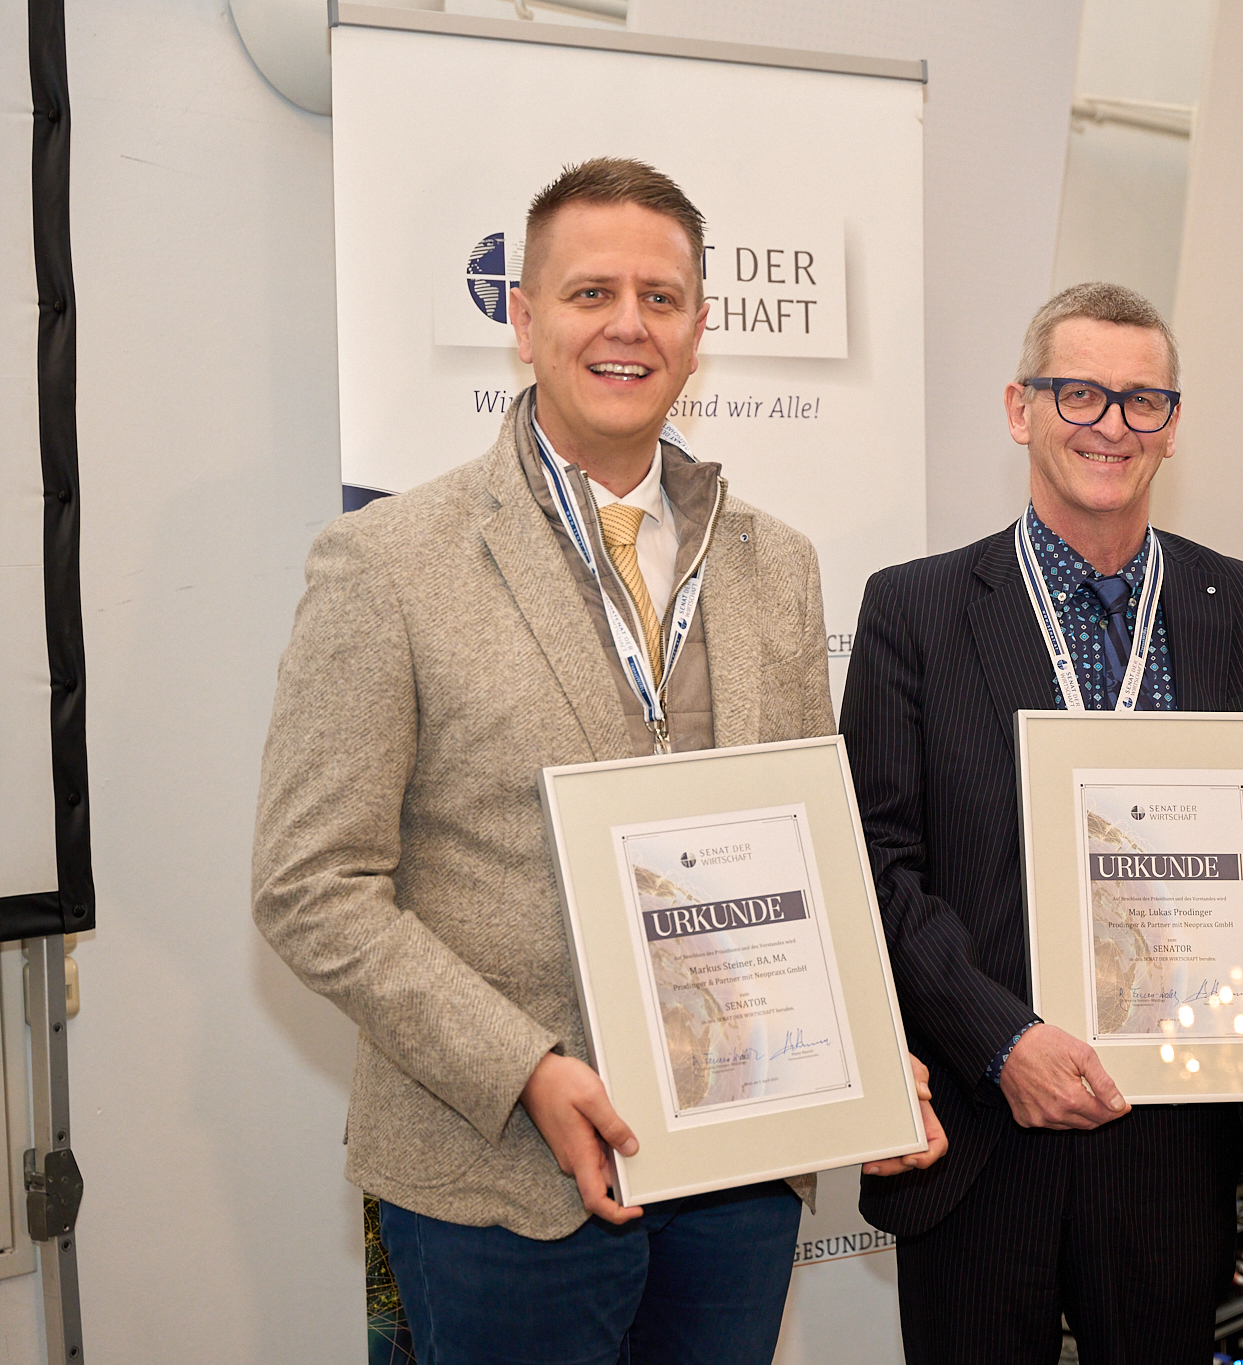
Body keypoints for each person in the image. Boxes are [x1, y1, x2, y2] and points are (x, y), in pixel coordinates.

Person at [252, 157, 942, 1365]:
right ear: (523, 321)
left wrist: (869, 1050)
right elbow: (311, 887)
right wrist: (521, 1068)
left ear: (698, 329)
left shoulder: (776, 563)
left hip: (737, 1175)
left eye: (659, 298)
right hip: (498, 1183)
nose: (629, 324)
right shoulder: (387, 562)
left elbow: (808, 855)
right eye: (590, 293)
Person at [841, 281, 1243, 1364]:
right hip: (985, 1123)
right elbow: (876, 866)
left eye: (1141, 401)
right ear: (1018, 408)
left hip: (1173, 1135)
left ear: (1172, 426)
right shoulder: (914, 609)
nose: (1109, 425)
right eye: (1077, 393)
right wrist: (1003, 1042)